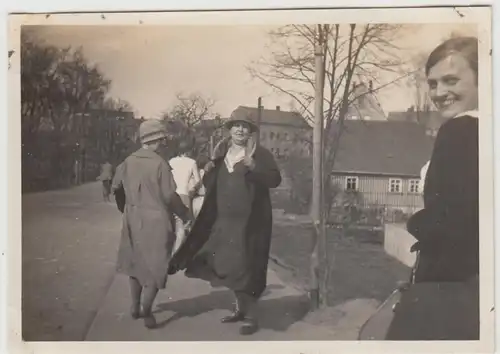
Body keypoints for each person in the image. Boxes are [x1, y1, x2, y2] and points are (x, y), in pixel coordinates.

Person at [385, 36, 479, 340]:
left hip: (450, 283)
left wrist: (417, 222)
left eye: (451, 80)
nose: (439, 93)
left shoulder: (460, 130)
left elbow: (453, 222)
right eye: (433, 83)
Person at [168, 111, 282, 335]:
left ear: (250, 131)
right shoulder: (221, 159)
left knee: (247, 268)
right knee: (227, 266)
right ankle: (240, 310)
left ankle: (251, 317)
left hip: (250, 224)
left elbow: (275, 180)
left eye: (245, 126)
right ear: (229, 130)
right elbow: (213, 187)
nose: (240, 130)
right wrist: (208, 172)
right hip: (223, 223)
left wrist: (253, 167)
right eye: (236, 126)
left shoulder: (261, 155)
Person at [111, 119, 191, 329]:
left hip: (132, 217)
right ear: (157, 140)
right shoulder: (159, 164)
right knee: (157, 265)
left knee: (135, 263)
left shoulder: (127, 161)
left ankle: (135, 306)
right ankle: (147, 309)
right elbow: (169, 196)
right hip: (157, 220)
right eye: (162, 139)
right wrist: (184, 214)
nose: (164, 143)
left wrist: (127, 209)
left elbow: (117, 188)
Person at [169, 138, 201, 252]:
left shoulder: (171, 161)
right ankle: (175, 253)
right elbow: (198, 181)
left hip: (171, 195)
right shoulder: (192, 162)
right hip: (184, 195)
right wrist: (192, 189)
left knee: (171, 224)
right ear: (190, 150)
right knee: (181, 226)